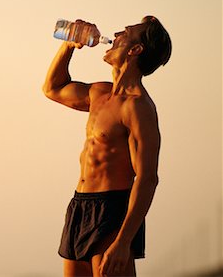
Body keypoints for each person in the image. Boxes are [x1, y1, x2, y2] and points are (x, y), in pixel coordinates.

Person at [43, 16, 172, 277]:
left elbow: (147, 178)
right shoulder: (100, 94)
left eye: (125, 33)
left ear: (135, 50)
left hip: (112, 212)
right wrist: (69, 45)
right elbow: (53, 89)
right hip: (80, 206)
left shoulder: (138, 107)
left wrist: (123, 242)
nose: (115, 34)